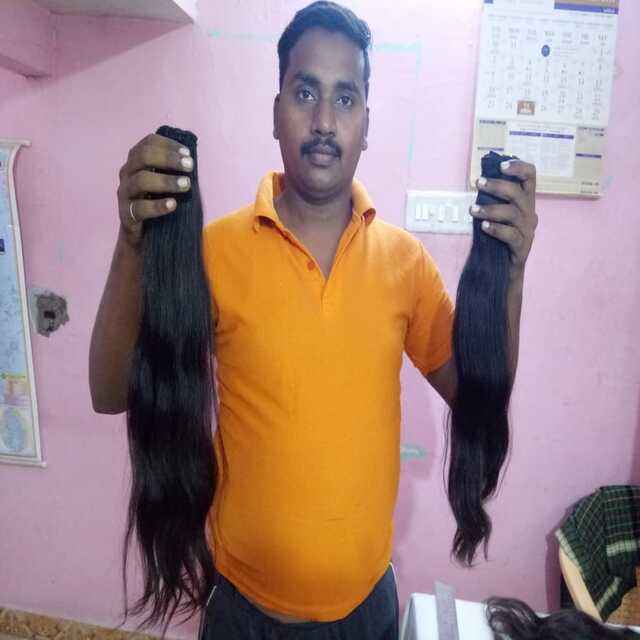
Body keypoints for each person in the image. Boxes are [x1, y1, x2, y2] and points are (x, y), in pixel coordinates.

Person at [89, 2, 538, 638]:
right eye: (305, 93)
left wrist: (511, 272)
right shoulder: (213, 253)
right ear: (276, 111)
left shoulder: (405, 264)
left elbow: (479, 395)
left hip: (364, 613)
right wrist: (133, 241)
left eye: (345, 98)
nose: (325, 121)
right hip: (242, 612)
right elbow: (110, 391)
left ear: (366, 123)